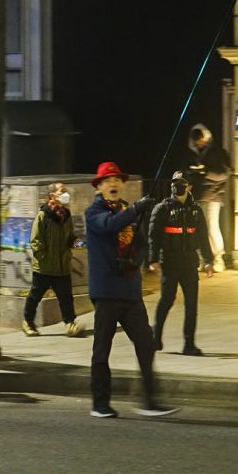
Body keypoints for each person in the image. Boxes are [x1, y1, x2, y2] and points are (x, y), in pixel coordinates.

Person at [84, 161, 177, 419]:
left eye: (117, 180)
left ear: (122, 184)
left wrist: (137, 261)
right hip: (106, 291)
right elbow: (108, 226)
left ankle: (148, 399)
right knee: (102, 349)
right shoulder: (94, 212)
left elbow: (143, 243)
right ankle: (99, 403)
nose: (113, 184)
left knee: (146, 344)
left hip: (130, 291)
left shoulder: (127, 211)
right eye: (107, 181)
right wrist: (137, 208)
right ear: (100, 187)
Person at [149, 172, 214, 356]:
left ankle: (189, 344)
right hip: (169, 261)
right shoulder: (162, 208)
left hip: (189, 263)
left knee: (191, 304)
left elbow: (203, 237)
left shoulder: (196, 209)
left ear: (189, 187)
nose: (177, 187)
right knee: (167, 300)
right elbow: (154, 235)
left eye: (182, 183)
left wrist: (208, 260)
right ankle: (155, 337)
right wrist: (153, 259)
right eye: (175, 183)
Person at [23, 182, 81, 338]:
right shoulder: (43, 216)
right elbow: (35, 240)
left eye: (65, 191)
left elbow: (69, 236)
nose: (65, 194)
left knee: (66, 297)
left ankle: (70, 323)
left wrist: (74, 242)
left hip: (62, 266)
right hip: (44, 267)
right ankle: (28, 322)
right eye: (61, 191)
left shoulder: (66, 216)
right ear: (52, 196)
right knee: (35, 296)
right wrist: (44, 257)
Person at [186, 123, 233, 271]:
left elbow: (225, 173)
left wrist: (205, 172)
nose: (199, 142)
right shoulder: (195, 154)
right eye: (196, 140)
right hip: (198, 196)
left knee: (211, 228)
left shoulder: (217, 152)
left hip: (213, 196)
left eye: (200, 139)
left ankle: (218, 259)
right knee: (200, 229)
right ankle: (205, 260)